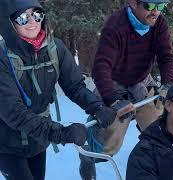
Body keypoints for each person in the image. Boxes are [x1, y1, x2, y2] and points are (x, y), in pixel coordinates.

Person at [0, 0, 123, 179]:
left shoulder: (54, 49)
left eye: (36, 14)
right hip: (7, 142)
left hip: (38, 140)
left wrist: (97, 107)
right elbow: (13, 112)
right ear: (9, 22)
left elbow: (75, 86)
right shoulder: (3, 58)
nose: (33, 22)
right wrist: (61, 133)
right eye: (23, 18)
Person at [79, 0, 173, 179]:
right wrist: (113, 100)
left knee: (159, 130)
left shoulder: (159, 23)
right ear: (133, 3)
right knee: (110, 143)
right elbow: (101, 67)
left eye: (160, 6)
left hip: (141, 81)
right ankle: (89, 156)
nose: (156, 12)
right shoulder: (115, 26)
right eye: (150, 6)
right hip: (114, 83)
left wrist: (168, 84)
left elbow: (166, 56)